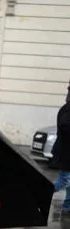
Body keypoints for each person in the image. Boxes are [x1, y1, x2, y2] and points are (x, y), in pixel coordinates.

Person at [50, 78, 70, 214]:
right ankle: (42, 192)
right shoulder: (67, 109)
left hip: (66, 151)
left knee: (67, 180)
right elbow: (65, 126)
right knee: (64, 180)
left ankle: (68, 206)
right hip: (66, 152)